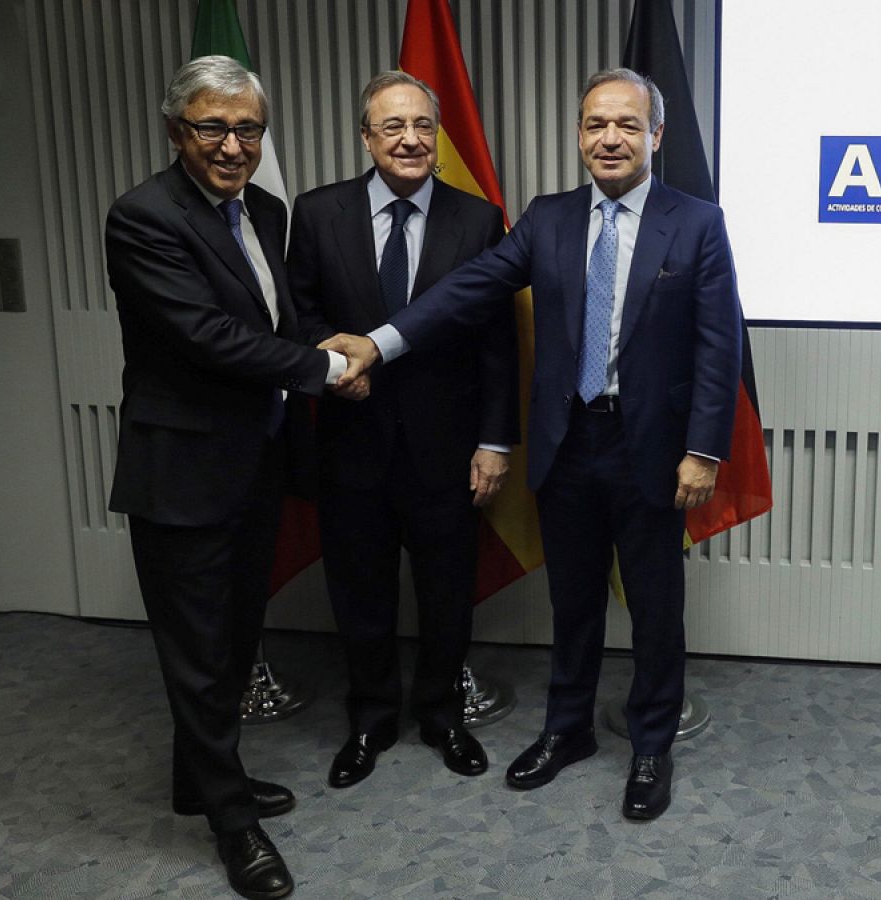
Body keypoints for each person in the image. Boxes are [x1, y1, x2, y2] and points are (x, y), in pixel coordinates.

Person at [323, 67, 742, 821]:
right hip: (565, 442)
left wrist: (704, 450)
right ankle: (566, 728)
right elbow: (469, 288)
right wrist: (382, 342)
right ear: (579, 134)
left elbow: (720, 345)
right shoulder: (548, 219)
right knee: (571, 601)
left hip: (651, 448)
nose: (609, 138)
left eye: (626, 124)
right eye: (595, 124)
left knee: (655, 607)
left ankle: (651, 745)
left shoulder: (697, 223)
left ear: (656, 134)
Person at [105, 55, 363, 900]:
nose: (232, 146)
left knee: (231, 638)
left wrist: (321, 347)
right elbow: (206, 336)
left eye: (248, 129)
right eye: (212, 127)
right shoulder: (143, 216)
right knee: (197, 652)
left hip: (254, 460)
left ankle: (198, 780)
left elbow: (273, 319)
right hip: (181, 471)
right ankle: (231, 823)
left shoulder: (266, 209)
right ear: (175, 130)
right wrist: (325, 369)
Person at [288, 70, 518, 788]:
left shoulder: (477, 219)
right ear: (366, 137)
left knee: (447, 593)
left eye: (422, 125)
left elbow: (497, 342)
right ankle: (370, 718)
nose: (411, 139)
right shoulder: (317, 212)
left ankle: (443, 716)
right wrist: (334, 367)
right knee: (360, 591)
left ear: (437, 135)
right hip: (350, 439)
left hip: (446, 449)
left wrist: (494, 441)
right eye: (393, 126)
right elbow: (297, 314)